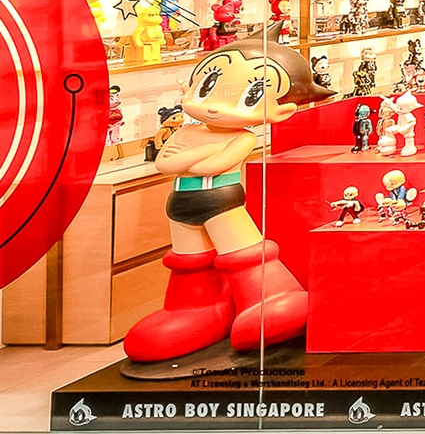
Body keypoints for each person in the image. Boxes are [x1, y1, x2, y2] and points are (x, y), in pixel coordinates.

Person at [124, 39, 333, 361]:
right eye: (207, 86)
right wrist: (203, 153)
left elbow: (210, 167)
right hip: (180, 204)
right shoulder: (189, 132)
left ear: (281, 111)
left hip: (222, 201)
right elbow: (165, 164)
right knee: (188, 261)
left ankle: (272, 296)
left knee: (244, 254)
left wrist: (192, 156)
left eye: (251, 95)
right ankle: (193, 309)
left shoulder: (243, 137)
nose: (214, 106)